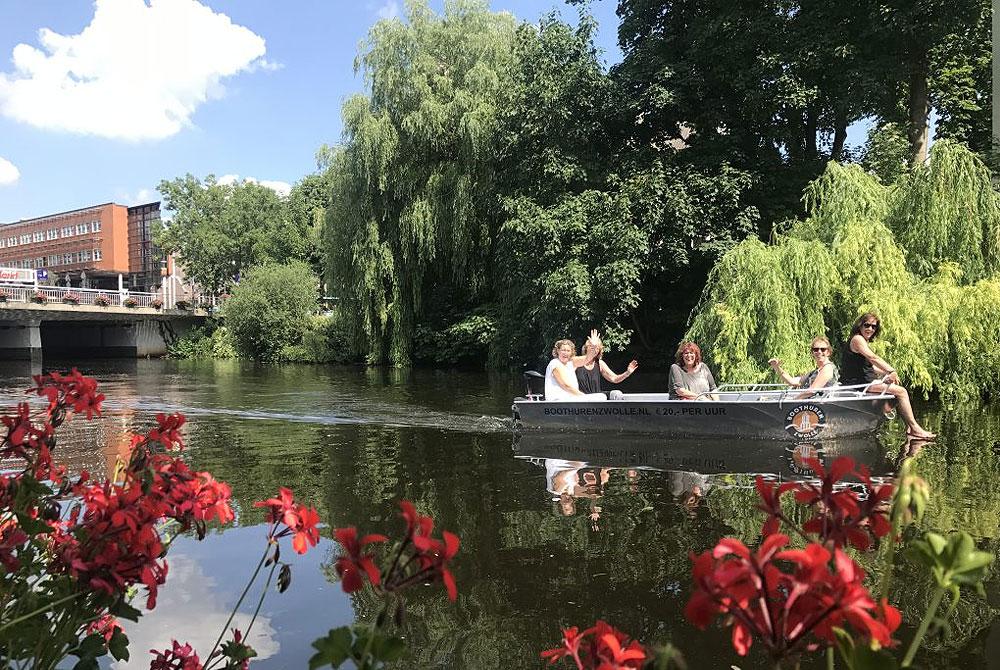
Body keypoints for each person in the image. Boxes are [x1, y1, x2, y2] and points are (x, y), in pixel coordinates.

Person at [841, 312, 935, 439]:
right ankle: (915, 428)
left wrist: (885, 373)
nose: (870, 329)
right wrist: (891, 371)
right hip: (859, 383)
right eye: (867, 325)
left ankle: (908, 426)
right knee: (901, 392)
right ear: (860, 325)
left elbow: (869, 367)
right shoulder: (857, 339)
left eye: (873, 327)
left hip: (861, 381)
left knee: (896, 390)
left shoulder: (861, 340)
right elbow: (872, 358)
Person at [768, 336, 840, 399]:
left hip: (820, 407)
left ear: (828, 352)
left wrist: (793, 400)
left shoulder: (827, 368)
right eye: (816, 349)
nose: (819, 352)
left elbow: (812, 391)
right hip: (810, 406)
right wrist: (777, 367)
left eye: (823, 349)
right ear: (812, 353)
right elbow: (792, 381)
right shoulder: (815, 372)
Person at [544, 330, 605, 400]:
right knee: (600, 397)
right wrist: (583, 396)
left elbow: (588, 358)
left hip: (571, 401)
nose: (565, 353)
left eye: (568, 351)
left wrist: (593, 347)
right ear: (558, 351)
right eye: (563, 350)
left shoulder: (571, 362)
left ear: (571, 352)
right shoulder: (554, 363)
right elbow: (565, 385)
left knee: (602, 396)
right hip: (558, 401)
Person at [575, 341, 639, 396]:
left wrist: (627, 373)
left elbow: (614, 379)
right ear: (586, 348)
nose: (595, 350)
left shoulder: (600, 363)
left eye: (597, 348)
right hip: (581, 399)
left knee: (616, 394)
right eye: (592, 347)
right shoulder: (577, 362)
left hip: (597, 398)